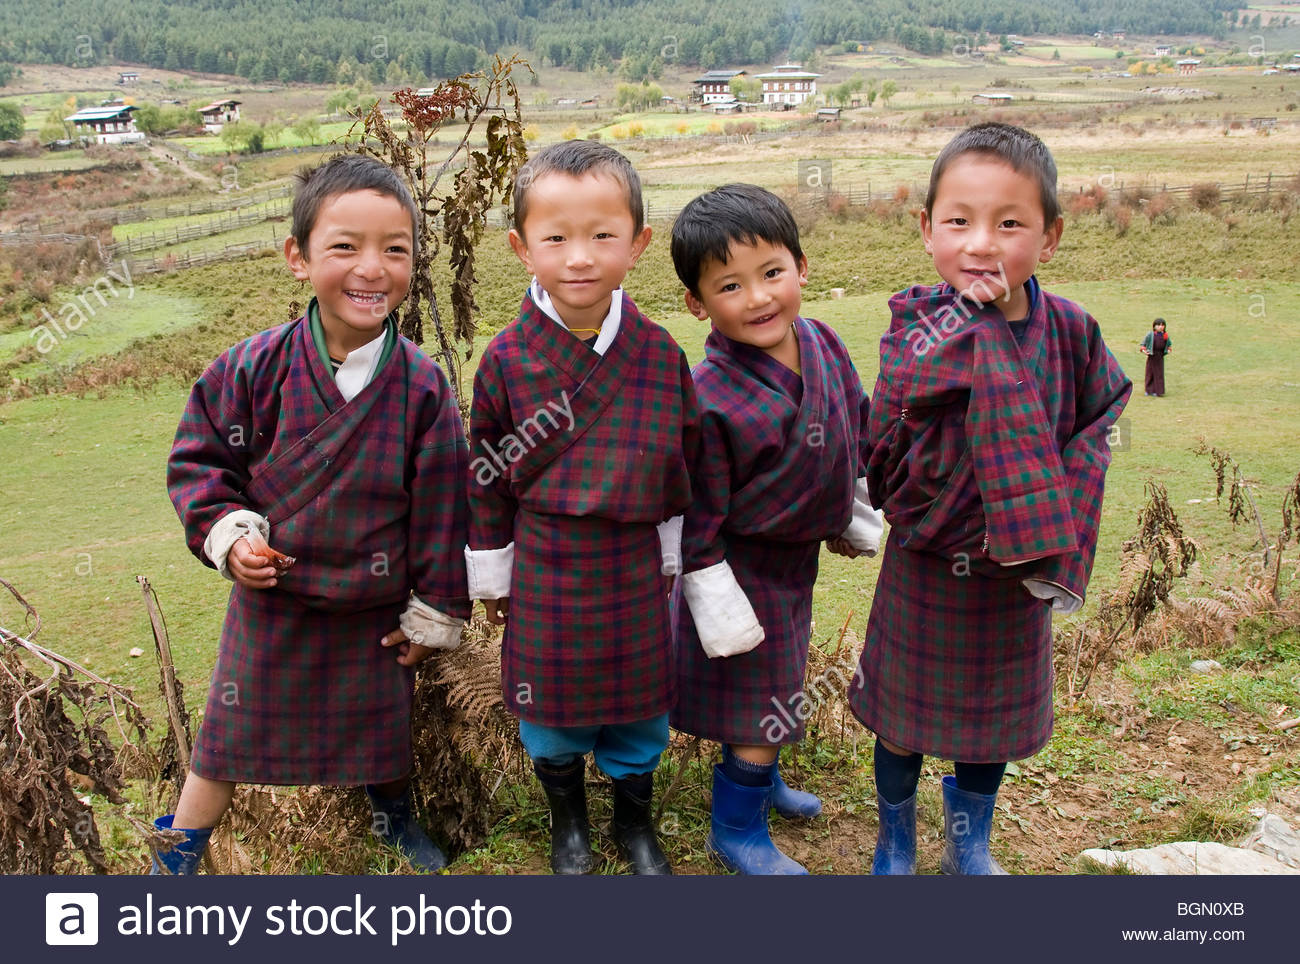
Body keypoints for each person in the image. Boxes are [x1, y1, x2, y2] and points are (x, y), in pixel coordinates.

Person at [157, 153, 471, 874]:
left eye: (395, 249)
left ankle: (395, 822)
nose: (373, 268)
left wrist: (433, 612)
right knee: (223, 744)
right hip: (275, 603)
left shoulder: (421, 386)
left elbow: (443, 509)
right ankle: (176, 855)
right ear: (298, 257)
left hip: (373, 606)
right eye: (345, 246)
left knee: (383, 736)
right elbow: (201, 465)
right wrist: (233, 536)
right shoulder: (249, 368)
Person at [851, 122, 1131, 875]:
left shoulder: (1071, 331)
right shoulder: (917, 328)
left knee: (992, 726)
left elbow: (1102, 412)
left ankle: (970, 847)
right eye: (959, 221)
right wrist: (917, 491)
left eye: (1009, 223)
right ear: (926, 229)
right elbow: (881, 443)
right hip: (926, 561)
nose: (982, 243)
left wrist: (1054, 509)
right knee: (900, 723)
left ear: (1051, 236)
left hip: (1017, 568)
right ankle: (895, 839)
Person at [464, 140, 699, 875]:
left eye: (603, 235)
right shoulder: (505, 359)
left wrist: (674, 557)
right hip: (546, 569)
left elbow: (685, 468)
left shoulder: (661, 355)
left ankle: (635, 826)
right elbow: (485, 477)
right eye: (555, 237)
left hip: (633, 567)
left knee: (639, 711)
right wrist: (492, 578)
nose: (580, 257)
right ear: (520, 247)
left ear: (638, 243)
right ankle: (568, 823)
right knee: (552, 716)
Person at [668, 184, 883, 875]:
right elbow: (696, 513)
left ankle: (764, 776)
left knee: (781, 681)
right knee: (758, 690)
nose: (759, 298)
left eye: (772, 273)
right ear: (698, 303)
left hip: (797, 562)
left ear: (801, 266)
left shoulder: (821, 341)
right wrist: (712, 593)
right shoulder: (712, 393)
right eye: (730, 285)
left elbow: (856, 422)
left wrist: (852, 510)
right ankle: (737, 829)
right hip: (742, 569)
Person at [1139, 317, 1172, 396]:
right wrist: (1144, 351)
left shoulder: (1165, 335)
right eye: (1158, 325)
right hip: (1152, 356)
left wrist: (1168, 350)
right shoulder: (1150, 335)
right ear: (1154, 326)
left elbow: (1169, 344)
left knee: (1159, 374)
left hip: (1160, 357)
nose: (1160, 327)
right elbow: (1143, 344)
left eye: (1162, 325)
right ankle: (1149, 390)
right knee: (1150, 373)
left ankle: (1158, 391)